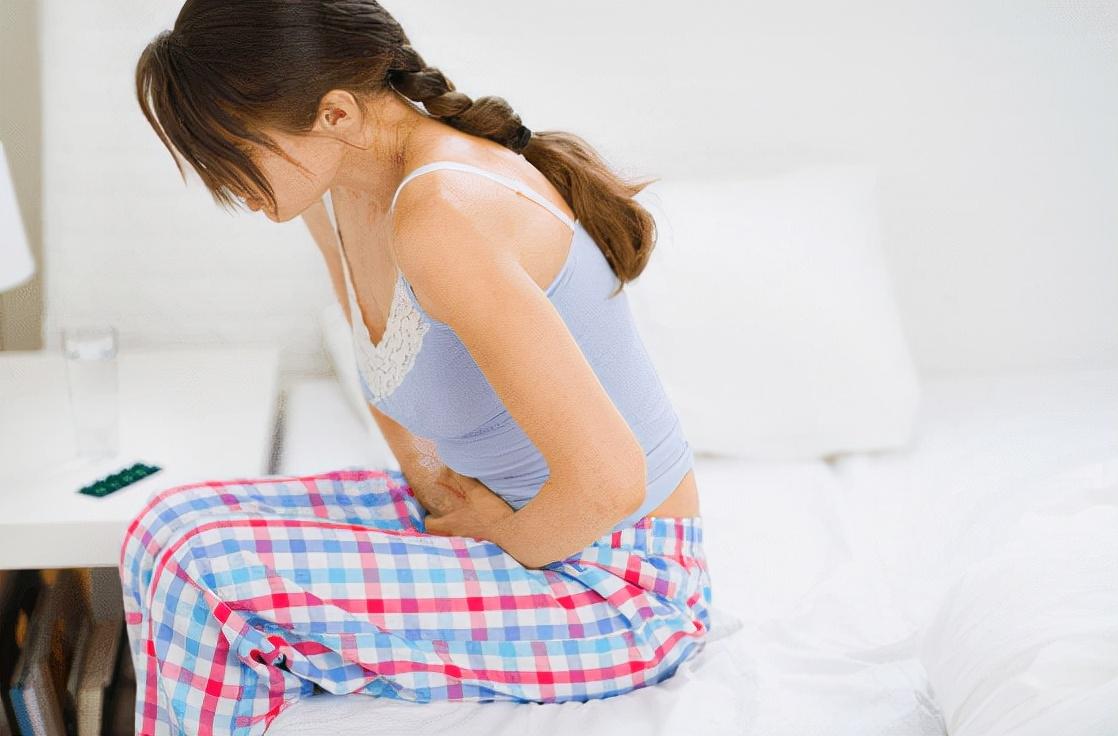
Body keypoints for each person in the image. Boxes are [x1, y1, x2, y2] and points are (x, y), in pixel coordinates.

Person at [122, 1, 712, 733]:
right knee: (162, 528)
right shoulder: (337, 192)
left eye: (234, 152)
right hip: (510, 516)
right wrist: (437, 499)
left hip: (618, 583)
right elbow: (385, 375)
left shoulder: (444, 213)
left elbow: (611, 482)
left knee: (204, 566)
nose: (227, 186)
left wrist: (489, 539)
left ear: (336, 114)